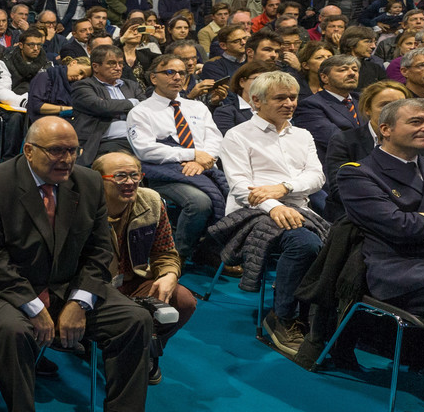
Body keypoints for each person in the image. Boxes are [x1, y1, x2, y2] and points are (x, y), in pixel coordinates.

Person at [0, 117, 163, 412]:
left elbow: (101, 252)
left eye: (73, 150)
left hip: (70, 286)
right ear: (29, 150)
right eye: (57, 150)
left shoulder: (88, 183)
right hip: (5, 289)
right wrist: (35, 307)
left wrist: (79, 302)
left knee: (135, 319)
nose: (67, 159)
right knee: (13, 331)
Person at [216, 70, 327, 355]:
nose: (289, 103)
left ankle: (316, 315)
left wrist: (283, 188)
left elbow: (317, 177)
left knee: (338, 241)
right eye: (280, 98)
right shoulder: (237, 135)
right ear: (256, 101)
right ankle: (282, 316)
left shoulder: (302, 135)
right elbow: (241, 187)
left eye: (293, 97)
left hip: (297, 206)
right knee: (305, 244)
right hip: (249, 212)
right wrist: (274, 205)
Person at [338, 97, 424, 325]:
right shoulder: (358, 173)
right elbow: (399, 226)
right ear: (385, 129)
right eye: (416, 122)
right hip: (403, 270)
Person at [93, 151, 196, 383]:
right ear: (98, 179)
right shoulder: (83, 208)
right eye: (120, 176)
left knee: (184, 301)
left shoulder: (151, 201)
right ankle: (126, 349)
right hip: (96, 288)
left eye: (135, 175)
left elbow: (165, 253)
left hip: (133, 281)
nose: (130, 182)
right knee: (134, 316)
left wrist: (170, 274)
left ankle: (147, 350)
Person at [127, 54, 225, 262]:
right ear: (153, 78)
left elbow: (215, 139)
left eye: (182, 73)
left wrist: (200, 160)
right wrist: (191, 154)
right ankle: (175, 257)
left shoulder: (197, 107)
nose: (178, 77)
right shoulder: (141, 112)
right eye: (170, 72)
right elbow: (145, 150)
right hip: (164, 175)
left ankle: (209, 252)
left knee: (234, 194)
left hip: (202, 169)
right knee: (199, 203)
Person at [71, 44, 144, 166]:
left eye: (120, 63)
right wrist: (132, 102)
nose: (118, 68)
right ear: (96, 67)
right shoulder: (83, 86)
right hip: (104, 141)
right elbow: (101, 106)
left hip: (139, 138)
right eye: (111, 63)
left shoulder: (131, 85)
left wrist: (112, 105)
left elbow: (145, 108)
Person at [293, 53, 362, 157]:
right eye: (343, 70)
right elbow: (336, 140)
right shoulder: (310, 105)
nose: (352, 73)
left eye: (355, 70)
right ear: (325, 77)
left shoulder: (363, 100)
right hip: (340, 164)